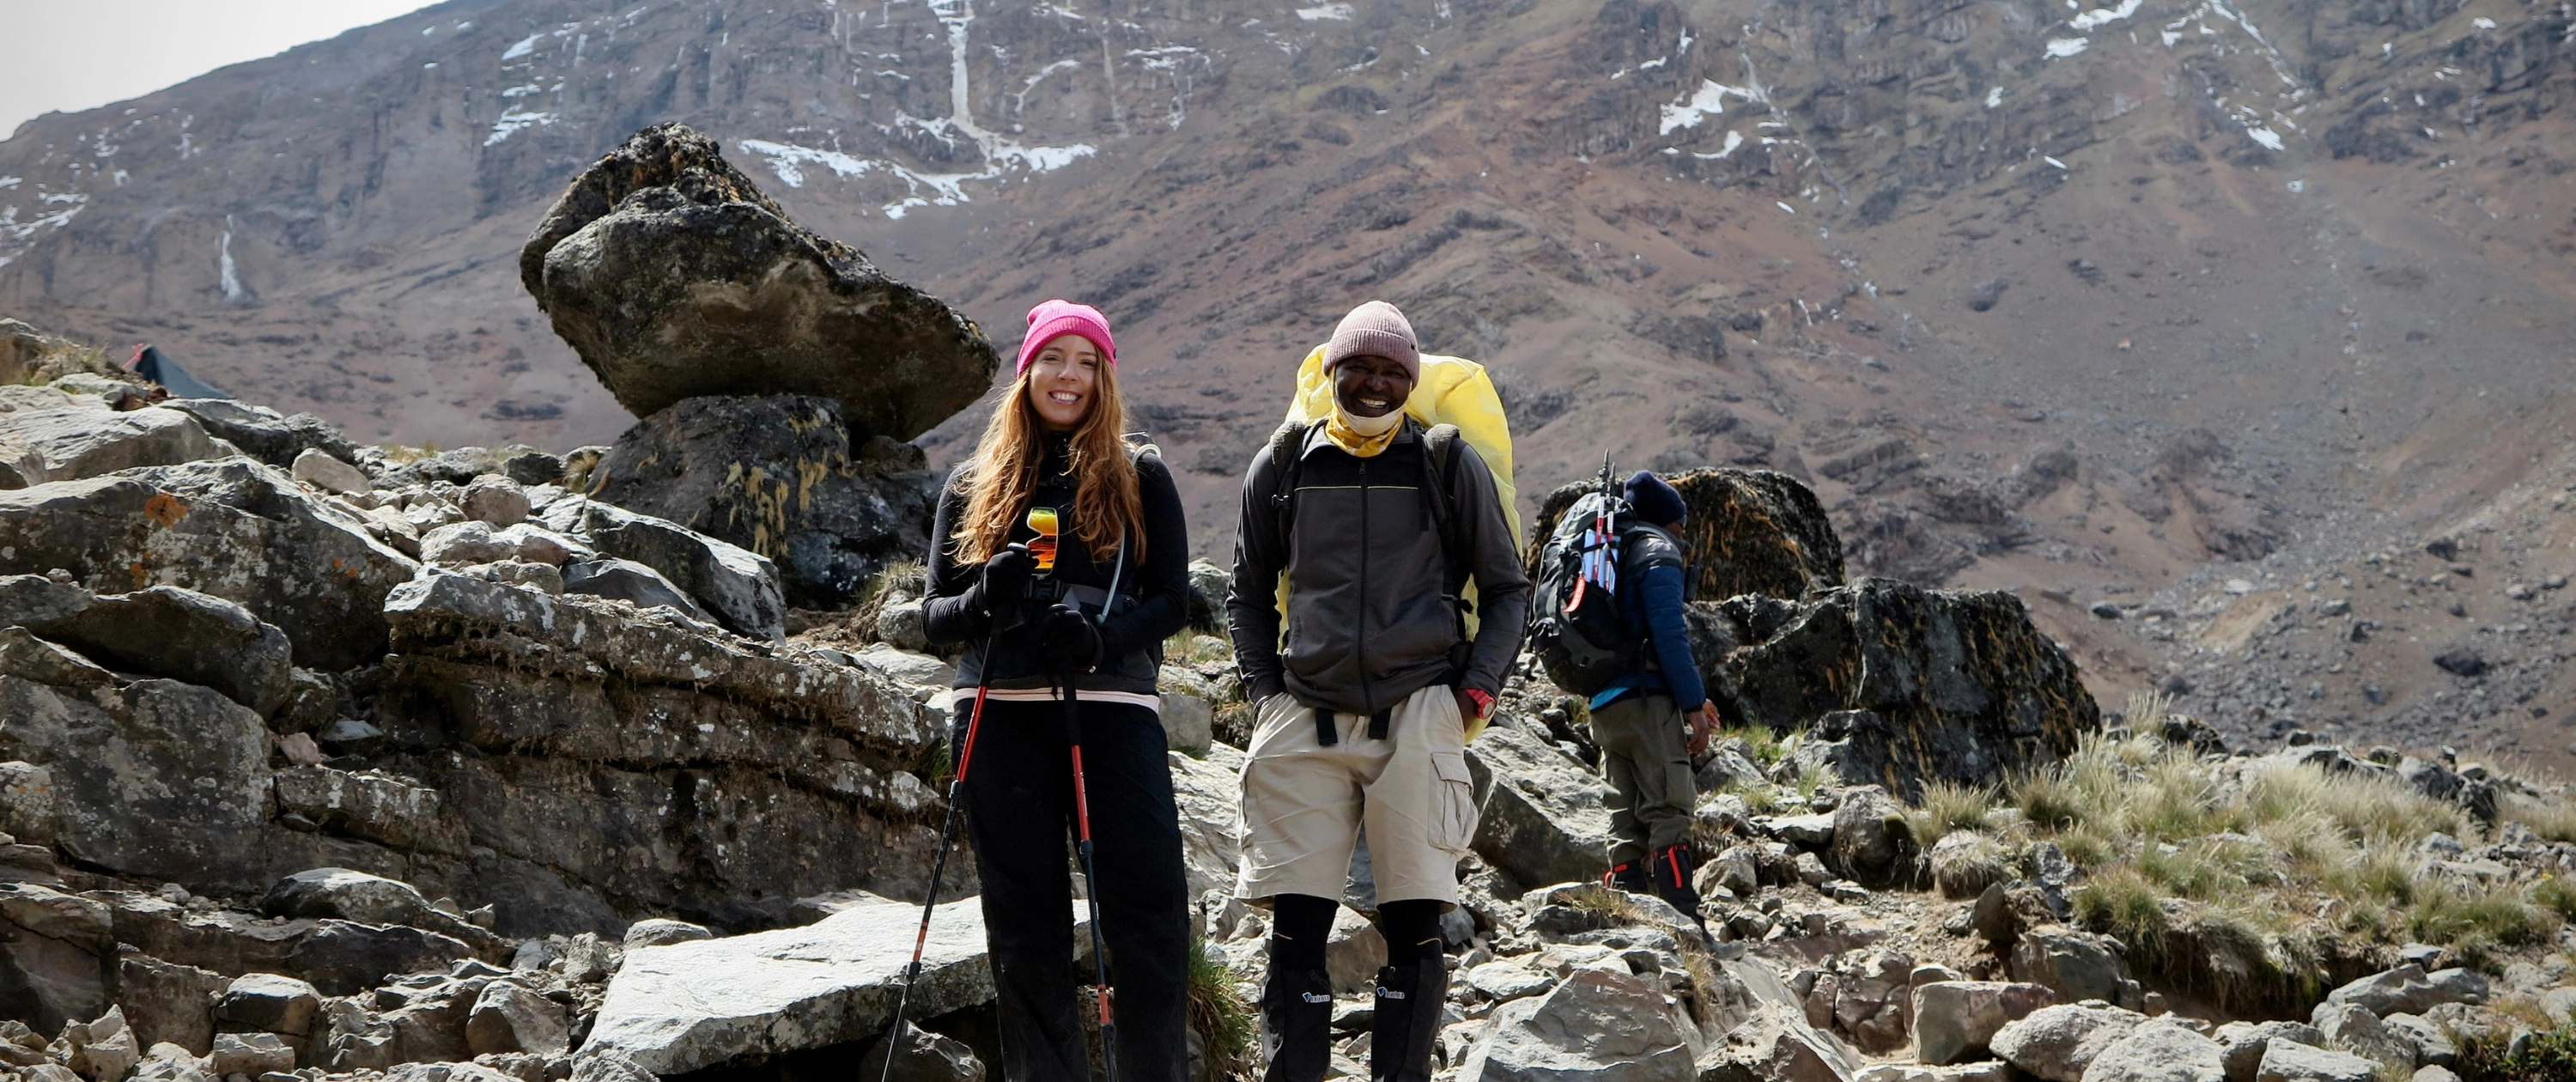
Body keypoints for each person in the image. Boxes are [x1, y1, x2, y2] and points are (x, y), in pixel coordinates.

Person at [1227, 301, 1533, 1082]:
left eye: (1392, 371)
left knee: (1416, 931)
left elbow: (1506, 590)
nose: (1374, 383)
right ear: (1332, 371)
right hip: (1305, 715)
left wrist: (1474, 697)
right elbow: (1247, 593)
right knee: (1296, 934)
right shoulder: (1286, 462)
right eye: (1358, 367)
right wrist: (1267, 695)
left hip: (1421, 710)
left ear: (1411, 379)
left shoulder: (1443, 461)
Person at [921, 300, 1194, 1082]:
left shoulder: (1141, 474)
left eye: (1085, 362)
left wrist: (1101, 639)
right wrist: (984, 599)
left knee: (1147, 916)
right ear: (1027, 372)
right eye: (1052, 359)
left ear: (1104, 377)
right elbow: (935, 617)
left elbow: (1173, 600)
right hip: (997, 717)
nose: (1067, 376)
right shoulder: (974, 483)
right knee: (1022, 925)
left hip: (1112, 712)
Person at [1588, 471, 1719, 922]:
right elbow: (1669, 634)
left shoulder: (1607, 552)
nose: (1682, 539)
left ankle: (1624, 919)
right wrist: (1693, 702)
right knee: (1669, 807)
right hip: (1647, 700)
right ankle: (1684, 920)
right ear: (1670, 523)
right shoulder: (1657, 551)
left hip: (1603, 703)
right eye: (1681, 529)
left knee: (1623, 817)